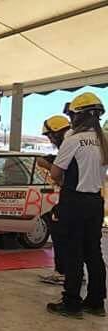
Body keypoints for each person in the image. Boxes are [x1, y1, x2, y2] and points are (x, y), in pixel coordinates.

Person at [47, 92, 107, 319]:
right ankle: (96, 302)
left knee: (74, 253)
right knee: (93, 252)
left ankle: (71, 302)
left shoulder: (72, 140)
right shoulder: (104, 141)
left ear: (78, 116)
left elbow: (55, 173)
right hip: (95, 201)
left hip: (74, 201)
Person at [37, 115, 71, 285]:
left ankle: (64, 273)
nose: (50, 140)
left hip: (73, 198)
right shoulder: (83, 143)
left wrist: (49, 166)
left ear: (57, 132)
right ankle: (72, 274)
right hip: (89, 198)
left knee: (62, 234)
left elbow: (62, 177)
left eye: (50, 136)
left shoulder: (69, 145)